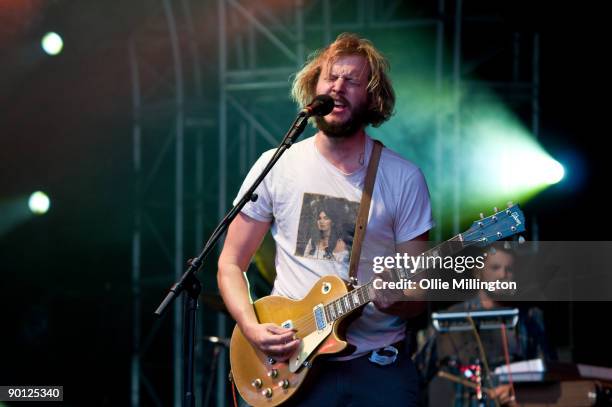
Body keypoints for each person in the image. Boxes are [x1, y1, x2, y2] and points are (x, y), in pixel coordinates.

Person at [217, 32, 435, 406]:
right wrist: (251, 328)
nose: (338, 87)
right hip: (292, 361)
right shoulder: (278, 165)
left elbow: (419, 294)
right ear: (313, 90)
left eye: (352, 81)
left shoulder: (402, 178)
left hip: (377, 365)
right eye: (330, 78)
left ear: (372, 97)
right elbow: (230, 263)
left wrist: (395, 301)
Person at [416, 244, 555, 406]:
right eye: (495, 267)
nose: (503, 275)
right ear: (478, 272)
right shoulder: (453, 319)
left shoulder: (529, 318)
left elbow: (551, 374)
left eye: (509, 269)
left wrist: (519, 390)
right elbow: (416, 374)